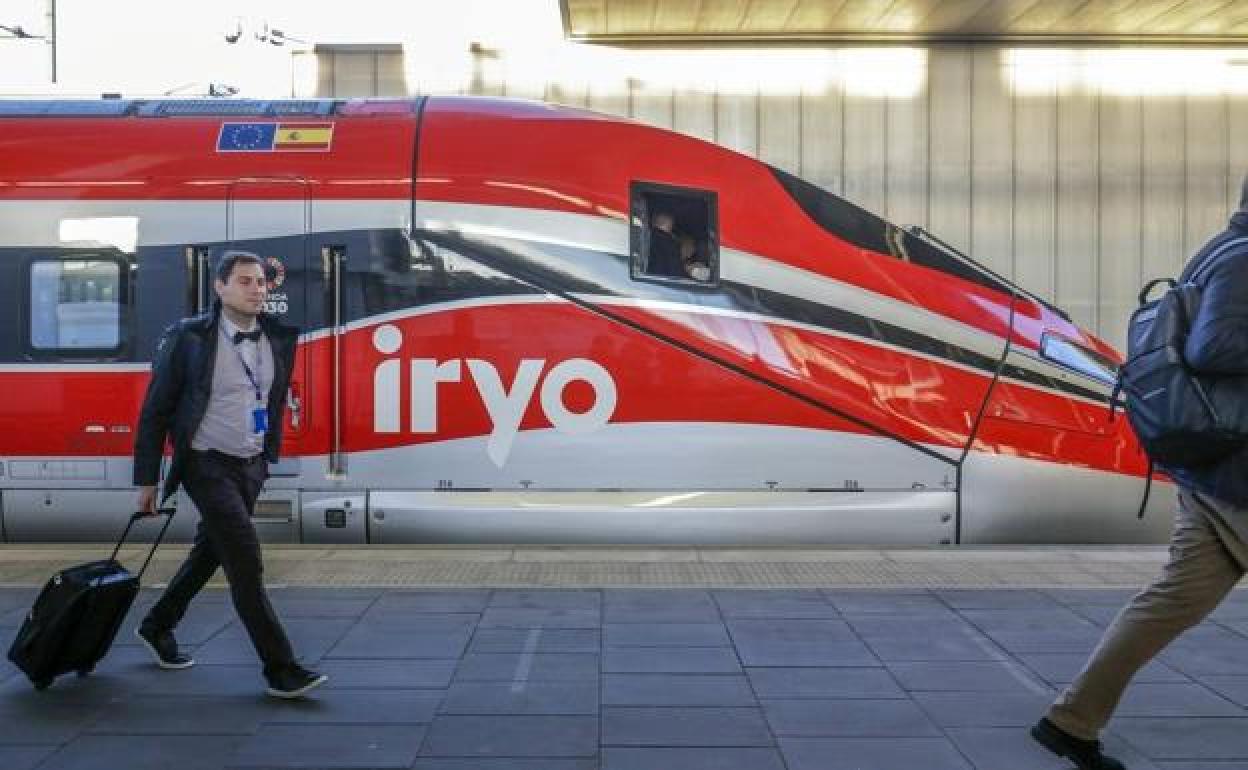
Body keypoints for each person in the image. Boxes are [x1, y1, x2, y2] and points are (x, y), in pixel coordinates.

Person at [1032, 176, 1248, 769]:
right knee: (1170, 600)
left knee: (1172, 600)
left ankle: (1070, 721)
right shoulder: (1244, 258)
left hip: (1217, 468)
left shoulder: (1225, 246)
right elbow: (1213, 347)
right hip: (1236, 473)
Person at [132, 251, 327, 699]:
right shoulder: (189, 338)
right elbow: (156, 410)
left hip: (250, 465)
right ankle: (280, 668)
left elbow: (271, 399)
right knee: (245, 561)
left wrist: (265, 454)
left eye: (261, 282)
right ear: (219, 288)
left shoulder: (278, 337)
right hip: (206, 463)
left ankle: (157, 624)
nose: (256, 289)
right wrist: (148, 481)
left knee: (210, 552)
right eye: (245, 281)